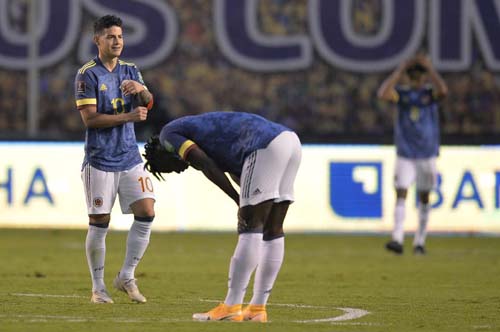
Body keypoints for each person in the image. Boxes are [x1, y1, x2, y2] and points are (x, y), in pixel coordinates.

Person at [143, 111, 302, 322]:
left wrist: (239, 200)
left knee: (249, 226)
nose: (177, 172)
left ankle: (231, 306)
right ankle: (257, 309)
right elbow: (241, 171)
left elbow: (206, 165)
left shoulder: (168, 135)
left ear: (163, 154)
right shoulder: (201, 133)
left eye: (168, 170)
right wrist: (248, 197)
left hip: (263, 146)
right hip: (289, 140)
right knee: (272, 229)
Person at [74, 15, 156, 303]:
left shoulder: (131, 70)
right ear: (98, 40)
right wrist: (129, 116)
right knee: (100, 222)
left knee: (147, 212)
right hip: (100, 160)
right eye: (110, 36)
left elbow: (148, 102)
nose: (117, 41)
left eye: (120, 36)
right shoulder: (87, 74)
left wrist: (142, 91)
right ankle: (98, 288)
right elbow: (91, 119)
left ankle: (126, 276)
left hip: (130, 157)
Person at [377, 54, 448, 255]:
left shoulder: (429, 95)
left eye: (419, 76)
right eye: (413, 76)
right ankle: (397, 239)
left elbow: (444, 91)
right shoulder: (401, 94)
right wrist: (399, 70)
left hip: (426, 153)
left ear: (424, 78)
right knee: (401, 193)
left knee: (424, 196)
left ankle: (419, 242)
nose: (416, 80)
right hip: (406, 153)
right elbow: (383, 94)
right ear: (408, 78)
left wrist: (431, 69)